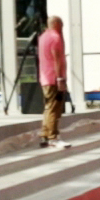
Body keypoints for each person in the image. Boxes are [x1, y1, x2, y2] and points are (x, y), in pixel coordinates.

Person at [37, 16, 68, 149]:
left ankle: (45, 134)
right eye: (61, 24)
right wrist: (60, 78)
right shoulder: (55, 38)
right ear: (56, 24)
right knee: (54, 108)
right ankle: (53, 137)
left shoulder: (43, 37)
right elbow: (57, 59)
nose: (62, 28)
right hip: (53, 78)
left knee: (48, 107)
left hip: (45, 77)